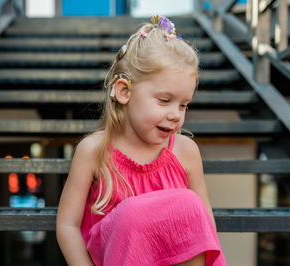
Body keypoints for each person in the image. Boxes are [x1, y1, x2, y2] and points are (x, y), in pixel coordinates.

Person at [56, 15, 227, 266]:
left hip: (176, 258)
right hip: (121, 257)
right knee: (132, 212)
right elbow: (68, 225)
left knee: (191, 204)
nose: (175, 114)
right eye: (165, 100)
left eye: (184, 105)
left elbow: (203, 224)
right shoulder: (94, 150)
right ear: (125, 92)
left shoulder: (185, 150)